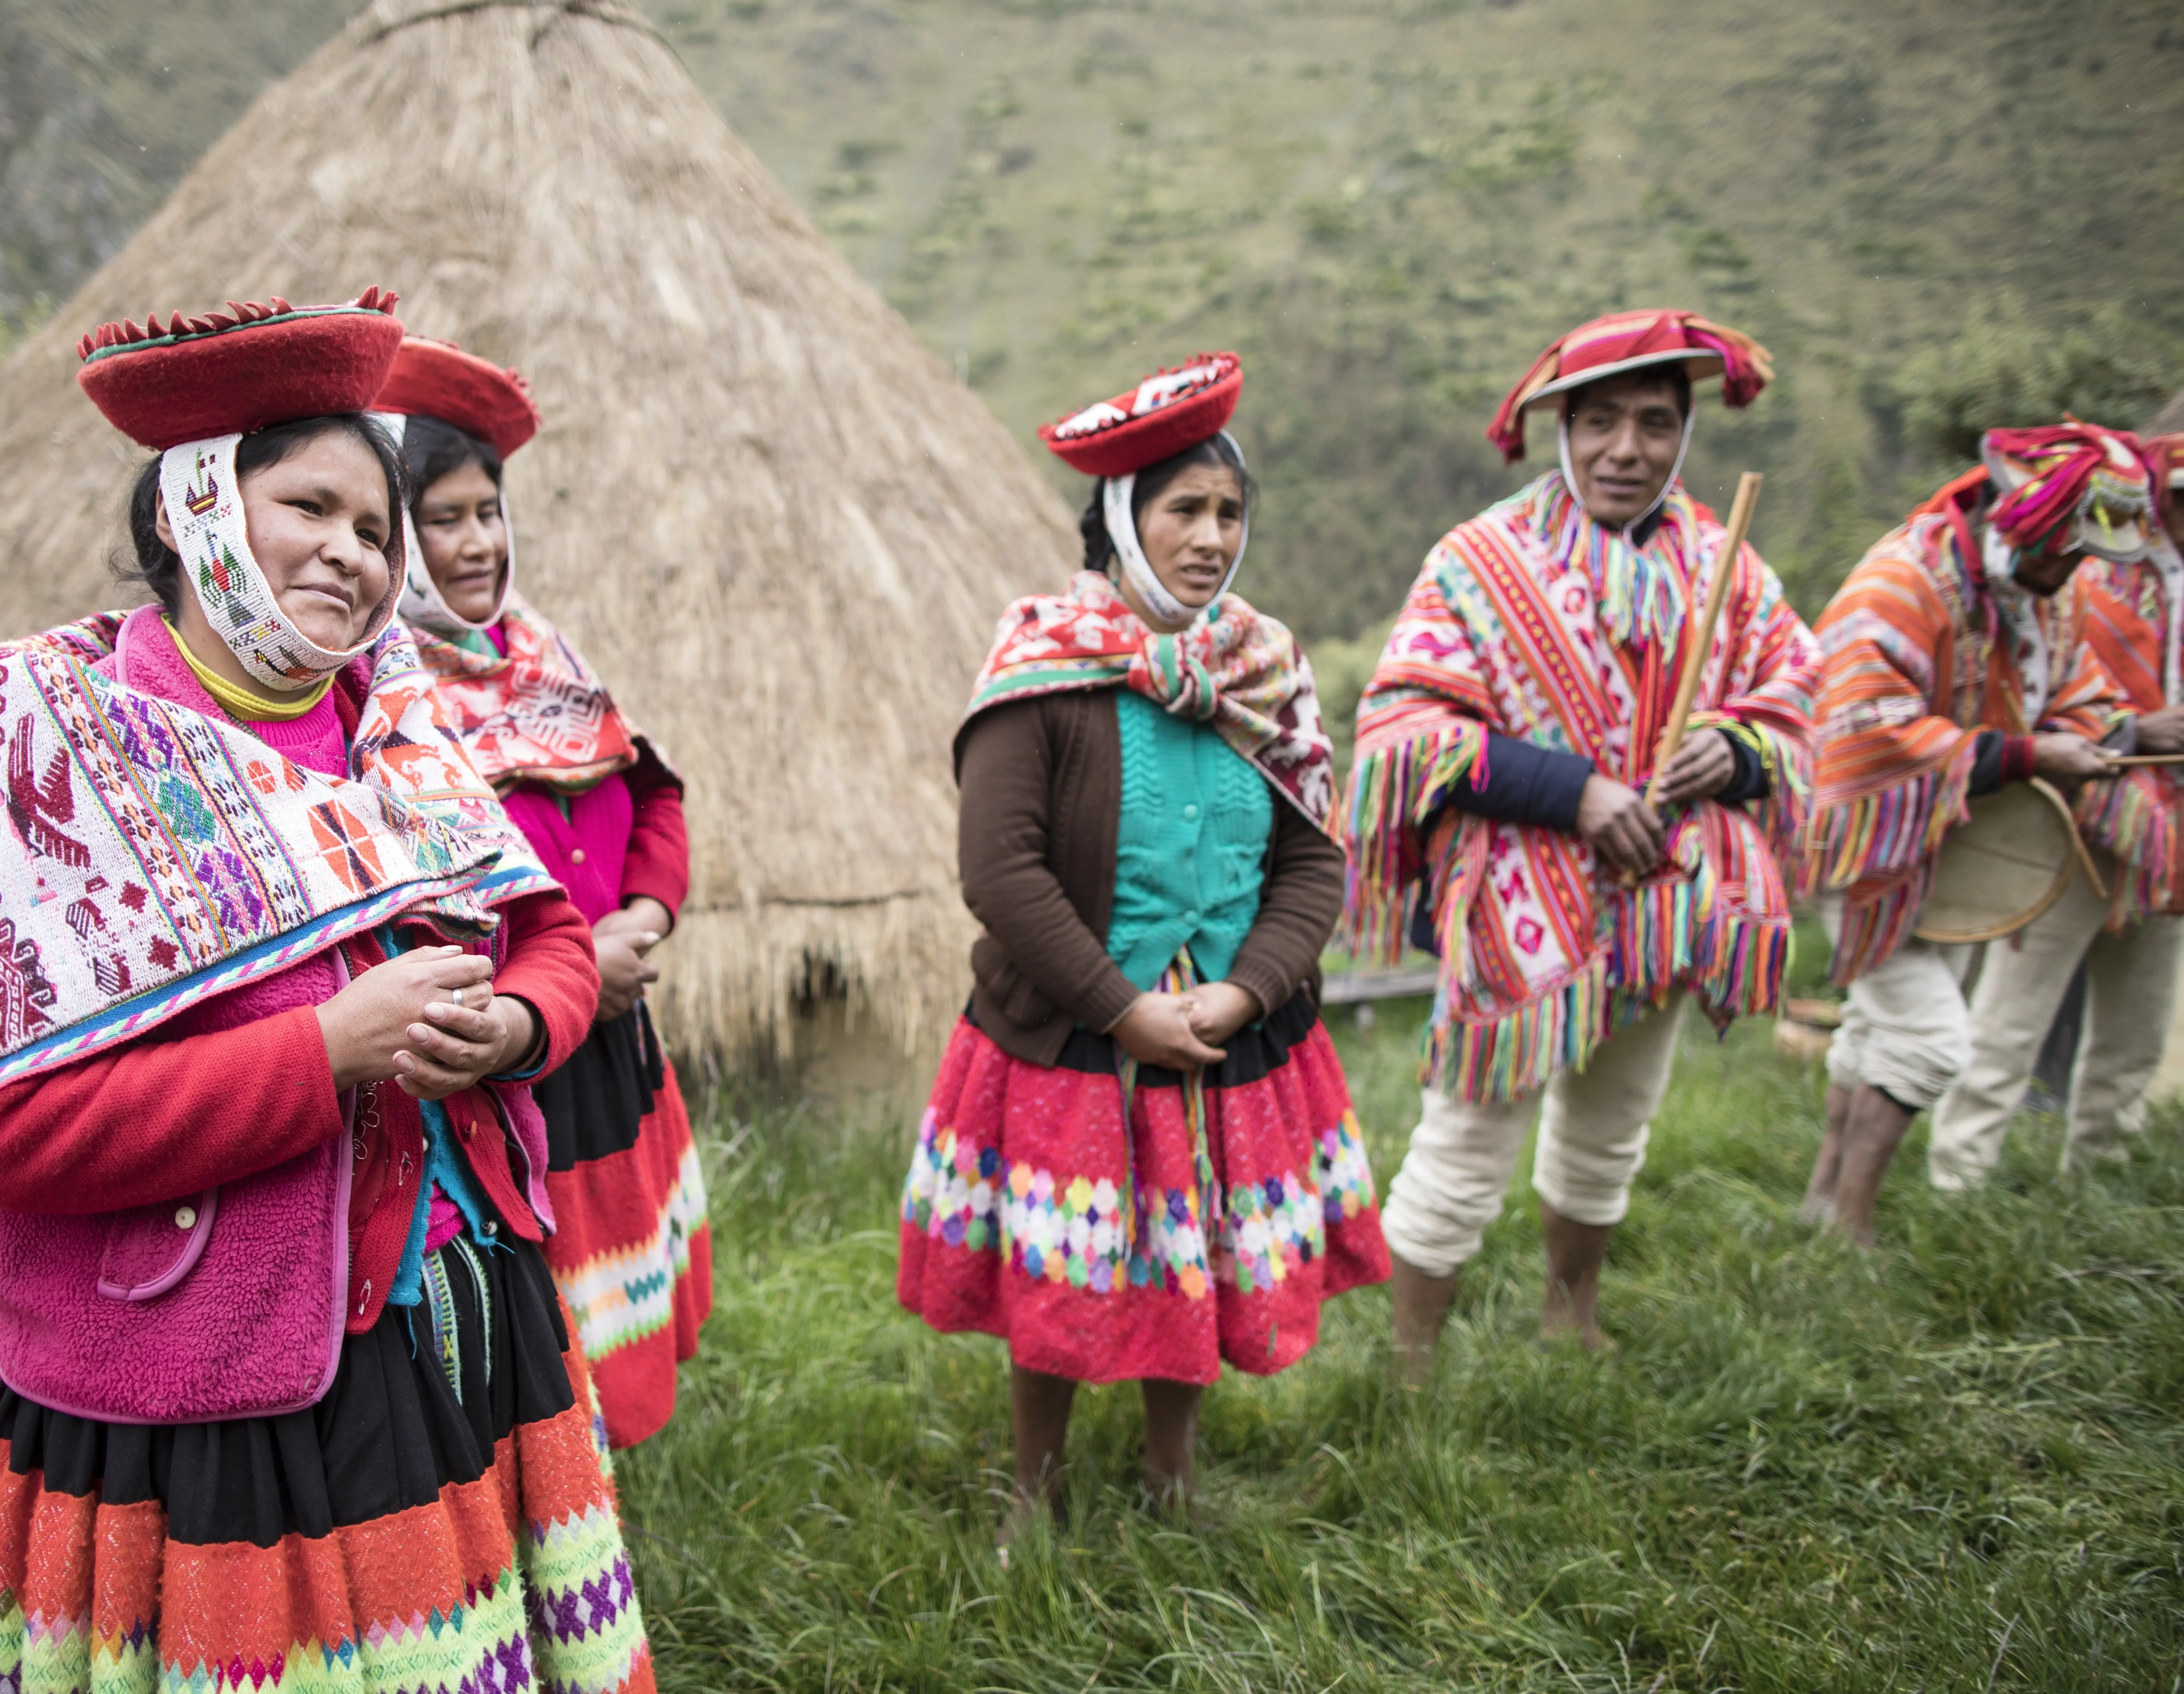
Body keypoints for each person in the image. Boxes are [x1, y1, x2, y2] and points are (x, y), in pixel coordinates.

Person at [0, 292, 653, 1694]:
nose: (353, 554)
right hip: (204, 1397)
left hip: (463, 1316)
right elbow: (11, 1137)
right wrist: (326, 1053)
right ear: (196, 510)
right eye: (308, 506)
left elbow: (551, 938)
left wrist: (515, 1026)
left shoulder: (397, 727)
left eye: (378, 531)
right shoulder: (59, 758)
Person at [896, 353, 1389, 1528]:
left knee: (1196, 1252)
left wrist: (1247, 991)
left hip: (1228, 1029)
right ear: (1123, 520)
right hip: (1072, 1031)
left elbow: (1316, 854)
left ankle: (1175, 1485)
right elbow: (1001, 870)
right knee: (1058, 1270)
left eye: (1231, 513)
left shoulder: (1263, 674)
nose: (1213, 536)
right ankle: (1035, 1490)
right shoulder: (1045, 669)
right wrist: (1124, 1007)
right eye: (1186, 510)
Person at [1344, 310, 1819, 1373]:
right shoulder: (1478, 563)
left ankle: (1572, 1312)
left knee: (1614, 1124)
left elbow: (1797, 697)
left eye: (1654, 423)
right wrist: (1577, 794)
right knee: (1467, 1137)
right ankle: (1409, 1362)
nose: (1626, 449)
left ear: (1685, 434)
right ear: (1561, 428)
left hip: (1662, 898)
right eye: (1600, 421)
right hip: (1521, 901)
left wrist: (1733, 756)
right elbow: (1405, 728)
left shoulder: (1727, 566)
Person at [374, 335, 710, 1449]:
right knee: (538, 1342)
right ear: (397, 537)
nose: (477, 544)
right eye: (445, 520)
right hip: (509, 1067)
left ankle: (609, 1518)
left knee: (619, 1305)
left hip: (611, 1043)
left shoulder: (544, 656)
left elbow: (654, 802)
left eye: (488, 512)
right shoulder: (385, 700)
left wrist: (642, 919)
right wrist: (562, 975)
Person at [1803, 422, 2147, 1241]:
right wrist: (2028, 754)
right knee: (1929, 1040)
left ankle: (1820, 1201)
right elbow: (1858, 734)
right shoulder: (1900, 584)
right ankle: (1851, 1232)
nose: (2073, 570)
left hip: (1957, 846)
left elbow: (2074, 694)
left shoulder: (2042, 594)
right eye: (2061, 550)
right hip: (1864, 852)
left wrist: (2127, 733)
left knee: (1876, 1025)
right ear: (2014, 523)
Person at [1917, 430, 2179, 1181]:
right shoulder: (2098, 568)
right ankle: (1956, 1183)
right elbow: (2047, 692)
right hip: (2082, 818)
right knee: (2009, 1021)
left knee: (2137, 1036)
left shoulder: (2109, 556)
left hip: (2170, 848)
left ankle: (2100, 1189)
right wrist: (2135, 728)